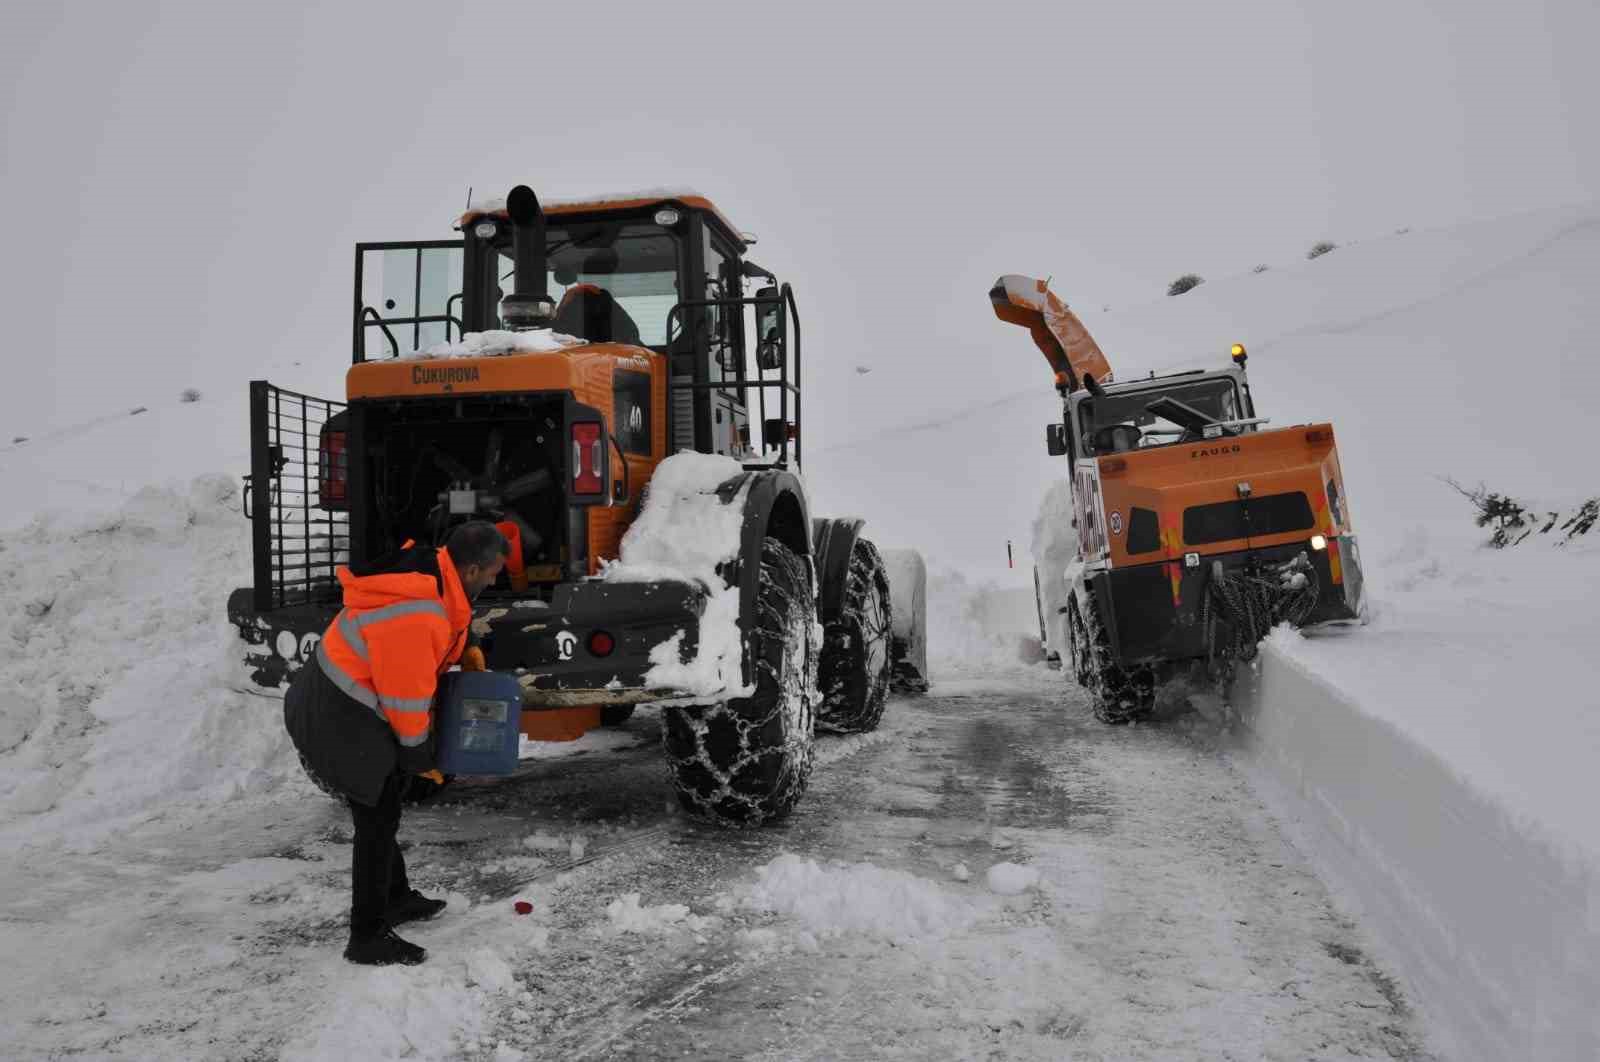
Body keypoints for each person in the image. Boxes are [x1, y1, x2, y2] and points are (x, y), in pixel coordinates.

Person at [284, 521, 508, 966]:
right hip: (337, 711)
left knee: (384, 808)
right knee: (377, 813)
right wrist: (420, 759)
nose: (495, 580)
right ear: (470, 569)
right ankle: (366, 935)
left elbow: (451, 624)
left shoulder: (435, 577)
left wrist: (469, 646)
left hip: (346, 699)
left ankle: (396, 897)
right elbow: (406, 700)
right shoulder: (416, 612)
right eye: (493, 572)